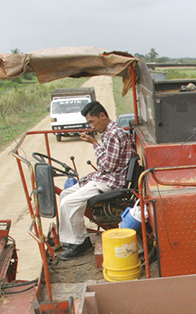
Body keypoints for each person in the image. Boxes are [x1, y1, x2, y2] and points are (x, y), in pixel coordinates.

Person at [57, 101, 137, 261]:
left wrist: (94, 144)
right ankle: (74, 238)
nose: (91, 126)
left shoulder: (115, 134)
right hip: (105, 177)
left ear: (102, 116)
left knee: (69, 203)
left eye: (92, 122)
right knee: (64, 194)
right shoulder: (109, 134)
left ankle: (79, 243)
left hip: (111, 182)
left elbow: (108, 166)